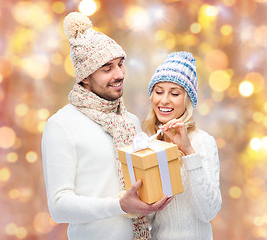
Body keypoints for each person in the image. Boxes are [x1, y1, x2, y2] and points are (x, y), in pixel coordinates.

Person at [41, 12, 171, 240]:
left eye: (120, 64)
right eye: (107, 68)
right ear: (85, 77)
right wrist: (119, 205)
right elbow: (58, 207)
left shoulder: (129, 122)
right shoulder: (61, 125)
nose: (120, 74)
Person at [143, 51, 222, 239]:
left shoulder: (202, 142)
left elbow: (208, 211)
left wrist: (188, 152)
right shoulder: (148, 143)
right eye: (159, 91)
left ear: (187, 100)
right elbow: (148, 219)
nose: (164, 100)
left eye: (175, 93)